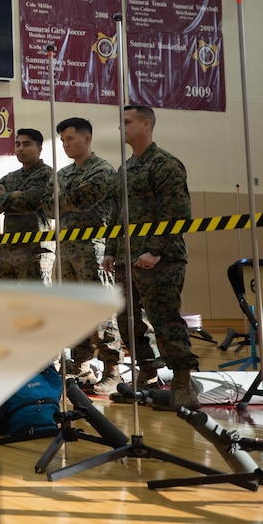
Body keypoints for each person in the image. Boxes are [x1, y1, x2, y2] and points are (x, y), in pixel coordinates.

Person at [101, 105, 199, 411]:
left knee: (164, 320)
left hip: (161, 259)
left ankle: (183, 380)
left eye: (127, 122)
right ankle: (146, 375)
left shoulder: (165, 164)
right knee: (127, 321)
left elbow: (178, 212)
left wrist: (155, 251)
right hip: (128, 259)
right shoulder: (124, 169)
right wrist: (110, 251)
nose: (122, 127)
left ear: (146, 124)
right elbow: (118, 215)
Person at [52, 118, 125, 395]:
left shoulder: (103, 170)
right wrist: (62, 199)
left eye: (70, 139)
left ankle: (113, 371)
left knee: (100, 311)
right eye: (62, 141)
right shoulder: (63, 174)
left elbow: (83, 199)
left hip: (93, 249)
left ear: (86, 138)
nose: (66, 145)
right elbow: (48, 206)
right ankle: (80, 364)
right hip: (67, 249)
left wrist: (62, 199)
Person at [0, 128, 54, 284]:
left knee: (36, 301)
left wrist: (4, 198)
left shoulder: (47, 174)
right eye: (17, 144)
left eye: (26, 144)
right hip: (7, 251)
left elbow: (29, 202)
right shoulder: (9, 177)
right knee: (3, 301)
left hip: (36, 250)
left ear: (39, 148)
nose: (20, 148)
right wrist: (12, 195)